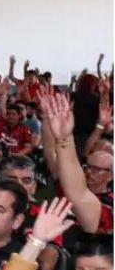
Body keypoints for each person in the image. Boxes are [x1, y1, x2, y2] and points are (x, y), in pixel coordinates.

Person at [41, 90, 113, 234]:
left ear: (110, 176)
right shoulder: (69, 180)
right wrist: (47, 117)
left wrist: (65, 139)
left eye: (97, 169)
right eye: (88, 166)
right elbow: (50, 152)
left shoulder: (109, 204)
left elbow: (78, 194)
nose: (89, 172)